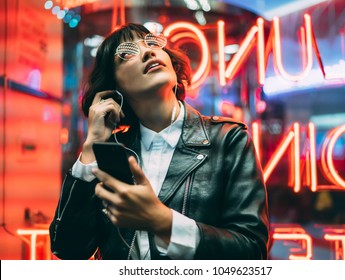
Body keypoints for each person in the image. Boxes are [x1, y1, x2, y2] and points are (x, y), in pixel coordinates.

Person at [49, 22, 269, 260]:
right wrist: (92, 146)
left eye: (152, 43)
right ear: (114, 86)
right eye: (127, 53)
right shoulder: (112, 152)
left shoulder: (228, 140)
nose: (147, 51)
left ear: (173, 68)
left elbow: (251, 251)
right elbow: (67, 249)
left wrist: (164, 222)